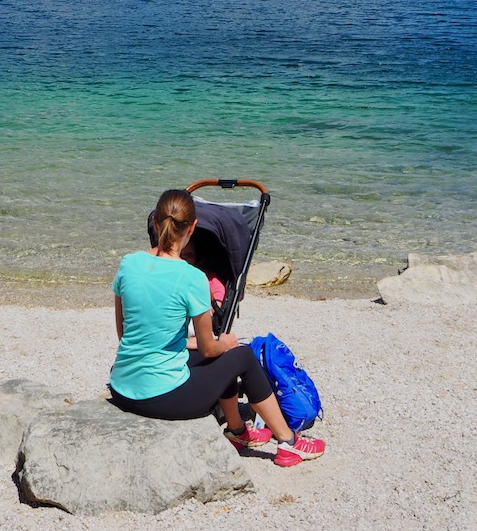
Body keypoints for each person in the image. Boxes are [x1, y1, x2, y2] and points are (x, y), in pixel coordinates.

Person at [108, 188, 324, 467]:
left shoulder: (128, 263)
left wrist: (188, 344)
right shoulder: (192, 277)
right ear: (193, 227)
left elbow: (127, 336)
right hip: (158, 398)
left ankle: (238, 431)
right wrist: (226, 343)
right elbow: (211, 349)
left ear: (154, 223)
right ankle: (289, 443)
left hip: (122, 387)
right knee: (241, 355)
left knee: (223, 357)